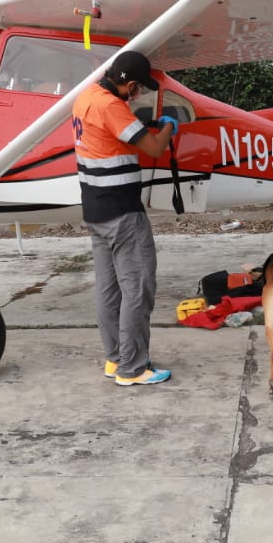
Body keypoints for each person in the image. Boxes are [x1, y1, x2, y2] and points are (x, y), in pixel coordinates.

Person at [72, 50, 178, 386]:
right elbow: (155, 148)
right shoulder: (111, 106)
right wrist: (169, 128)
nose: (138, 95)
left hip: (95, 210)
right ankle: (133, 369)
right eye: (138, 89)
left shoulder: (86, 96)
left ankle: (115, 358)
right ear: (128, 85)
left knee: (109, 289)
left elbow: (112, 136)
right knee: (138, 289)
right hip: (122, 214)